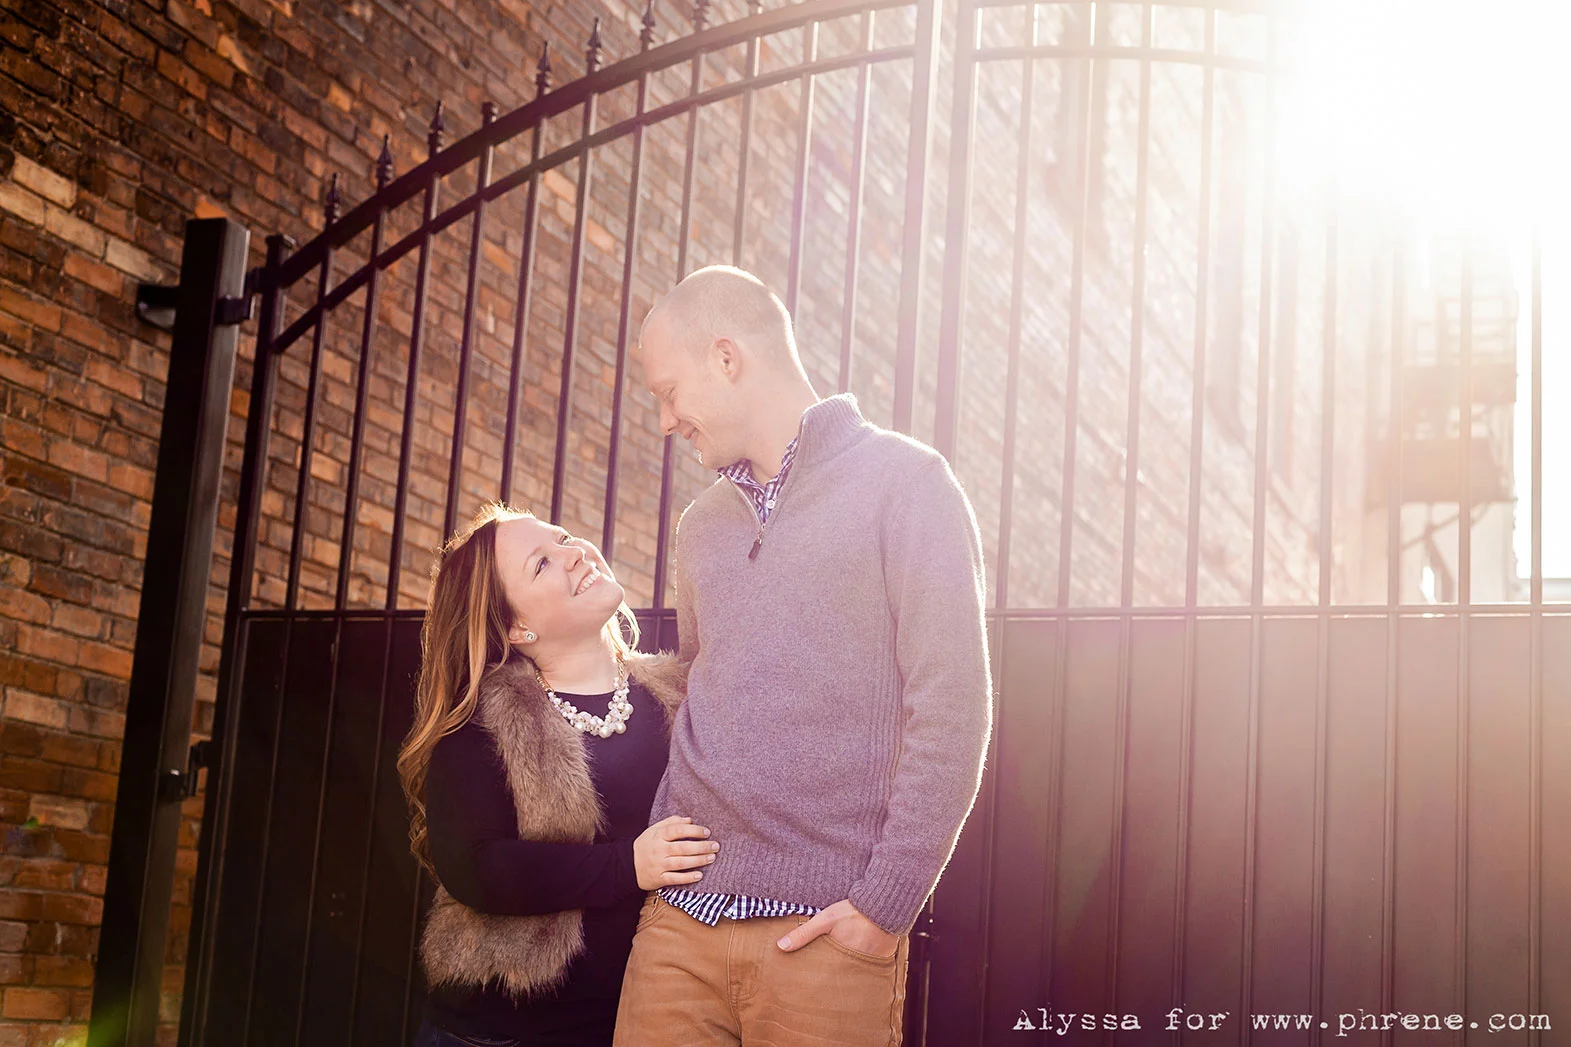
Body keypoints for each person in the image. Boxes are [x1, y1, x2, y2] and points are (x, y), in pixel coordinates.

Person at [615, 266, 993, 1045]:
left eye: (668, 392)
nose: (663, 420)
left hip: (825, 934)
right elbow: (697, 684)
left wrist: (884, 905)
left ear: (726, 357)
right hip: (677, 929)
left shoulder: (907, 485)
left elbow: (953, 705)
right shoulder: (702, 526)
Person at [399, 503, 720, 1047]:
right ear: (516, 626)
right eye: (542, 563)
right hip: (500, 1034)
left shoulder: (682, 694)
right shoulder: (481, 721)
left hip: (647, 1025)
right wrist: (628, 865)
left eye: (565, 538)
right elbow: (477, 867)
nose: (574, 554)